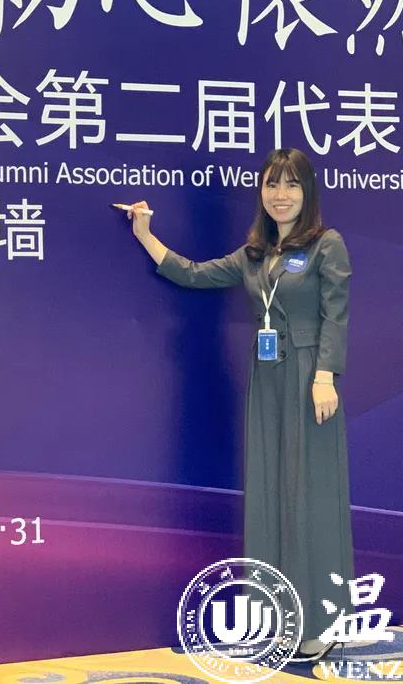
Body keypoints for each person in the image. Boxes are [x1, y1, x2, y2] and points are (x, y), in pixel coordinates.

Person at [127, 148, 354, 661]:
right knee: (270, 494)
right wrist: (144, 234)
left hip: (308, 378)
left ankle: (321, 620)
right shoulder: (254, 254)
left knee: (309, 494)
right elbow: (193, 273)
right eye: (272, 185)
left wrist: (325, 375)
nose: (281, 195)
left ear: (307, 191)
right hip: (266, 377)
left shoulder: (326, 245)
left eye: (291, 185)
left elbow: (336, 314)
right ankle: (281, 617)